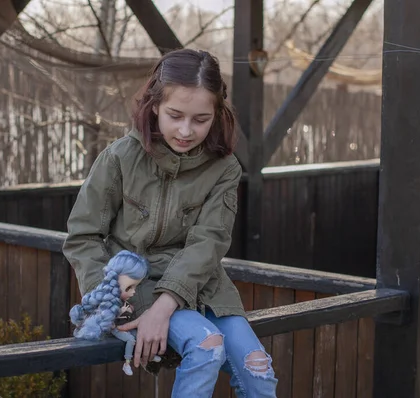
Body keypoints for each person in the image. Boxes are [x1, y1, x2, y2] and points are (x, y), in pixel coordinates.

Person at [63, 48, 278, 398]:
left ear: (216, 115)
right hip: (136, 286)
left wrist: (165, 307)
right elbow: (83, 237)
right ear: (154, 106)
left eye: (200, 119)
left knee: (258, 367)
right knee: (207, 346)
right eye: (175, 115)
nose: (185, 130)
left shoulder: (224, 169)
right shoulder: (119, 158)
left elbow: (208, 243)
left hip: (202, 284)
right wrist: (110, 300)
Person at [69, 249, 161, 376]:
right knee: (130, 339)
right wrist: (117, 318)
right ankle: (127, 363)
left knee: (140, 333)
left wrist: (127, 311)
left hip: (124, 324)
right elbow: (109, 318)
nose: (133, 292)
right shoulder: (109, 301)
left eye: (135, 287)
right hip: (116, 328)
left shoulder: (119, 300)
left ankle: (150, 353)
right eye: (129, 287)